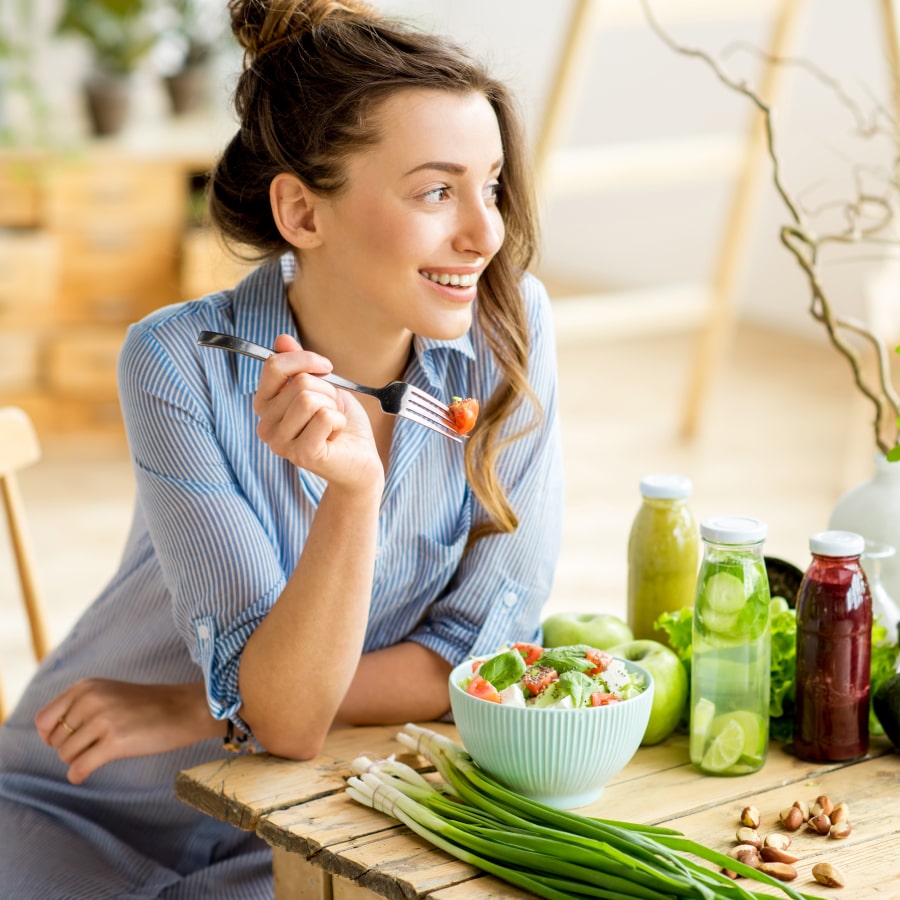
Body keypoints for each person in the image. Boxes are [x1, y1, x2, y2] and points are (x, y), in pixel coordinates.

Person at [0, 0, 563, 895]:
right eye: (435, 191)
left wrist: (205, 706)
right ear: (302, 210)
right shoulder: (178, 360)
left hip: (302, 818)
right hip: (83, 799)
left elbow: (481, 655)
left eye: (490, 185)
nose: (484, 232)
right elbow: (289, 715)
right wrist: (350, 502)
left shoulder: (510, 328)